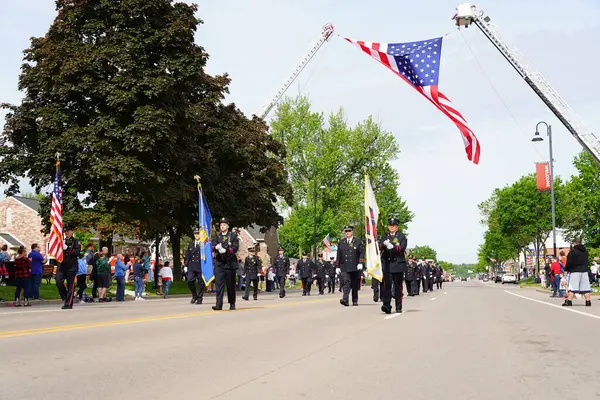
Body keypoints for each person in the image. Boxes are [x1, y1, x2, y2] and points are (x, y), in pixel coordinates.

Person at [379, 217, 408, 314]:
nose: (391, 227)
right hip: (387, 264)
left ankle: (398, 306)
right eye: (390, 226)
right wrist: (384, 244)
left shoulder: (401, 236)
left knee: (398, 287)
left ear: (397, 227)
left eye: (393, 226)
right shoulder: (385, 236)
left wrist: (393, 247)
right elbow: (379, 247)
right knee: (386, 286)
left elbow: (402, 248)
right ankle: (386, 305)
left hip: (398, 264)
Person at [212, 218, 239, 311]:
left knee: (230, 285)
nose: (222, 226)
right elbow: (212, 245)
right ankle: (218, 304)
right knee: (219, 285)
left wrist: (226, 250)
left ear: (227, 226)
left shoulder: (233, 236)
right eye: (221, 225)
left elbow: (235, 247)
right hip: (219, 263)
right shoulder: (217, 236)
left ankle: (232, 303)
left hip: (229, 263)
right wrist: (215, 247)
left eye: (224, 225)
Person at [337, 225, 365, 307]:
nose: (347, 233)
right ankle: (345, 299)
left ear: (352, 232)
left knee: (355, 284)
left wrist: (361, 262)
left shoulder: (357, 241)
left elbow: (362, 253)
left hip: (355, 266)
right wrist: (337, 266)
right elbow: (338, 255)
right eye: (346, 231)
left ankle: (355, 299)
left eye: (349, 231)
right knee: (346, 282)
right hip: (344, 266)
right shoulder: (342, 242)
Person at [56, 225, 81, 309]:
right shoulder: (60, 241)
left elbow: (77, 252)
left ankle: (68, 304)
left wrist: (67, 248)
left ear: (72, 231)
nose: (66, 233)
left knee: (70, 285)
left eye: (68, 231)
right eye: (65, 231)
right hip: (61, 265)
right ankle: (65, 297)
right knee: (58, 281)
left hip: (71, 266)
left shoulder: (76, 241)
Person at [563, 237, 592, 307]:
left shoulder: (573, 252)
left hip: (575, 271)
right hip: (584, 271)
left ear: (574, 243)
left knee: (572, 287)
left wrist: (566, 269)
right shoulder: (585, 252)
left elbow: (569, 262)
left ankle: (569, 301)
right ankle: (588, 301)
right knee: (586, 288)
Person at [185, 229, 206, 305]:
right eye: (195, 234)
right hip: (192, 266)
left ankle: (200, 298)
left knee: (201, 283)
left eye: (198, 234)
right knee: (190, 281)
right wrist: (186, 264)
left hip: (200, 266)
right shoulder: (191, 244)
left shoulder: (203, 244)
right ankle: (194, 295)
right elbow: (188, 254)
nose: (196, 235)